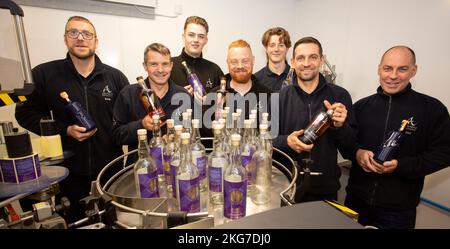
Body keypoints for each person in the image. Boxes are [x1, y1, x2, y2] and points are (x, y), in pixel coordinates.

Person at [15, 16, 130, 222]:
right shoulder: (44, 74)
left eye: (87, 34)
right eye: (73, 33)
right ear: (65, 38)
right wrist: (64, 130)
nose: (80, 38)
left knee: (113, 222)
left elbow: (127, 122)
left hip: (110, 172)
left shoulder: (115, 78)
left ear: (96, 41)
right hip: (66, 174)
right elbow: (24, 113)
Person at [344, 46, 450, 229]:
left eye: (402, 69)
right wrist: (357, 153)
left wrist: (401, 166)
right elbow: (347, 144)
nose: (393, 76)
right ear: (379, 69)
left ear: (414, 70)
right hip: (355, 202)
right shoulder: (361, 107)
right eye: (387, 68)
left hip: (398, 211)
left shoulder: (431, 109)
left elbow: (444, 153)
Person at [272, 36, 356, 203]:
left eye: (313, 57)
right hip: (288, 187)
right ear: (293, 62)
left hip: (326, 189)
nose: (307, 63)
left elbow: (350, 148)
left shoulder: (340, 96)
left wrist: (340, 126)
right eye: (301, 58)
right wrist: (287, 141)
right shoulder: (278, 98)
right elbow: (266, 141)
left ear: (321, 60)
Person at [112, 43, 191, 163]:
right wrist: (141, 125)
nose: (160, 70)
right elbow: (116, 135)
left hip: (176, 166)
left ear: (171, 65)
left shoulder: (183, 94)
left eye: (165, 64)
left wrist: (177, 136)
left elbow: (192, 132)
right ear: (145, 66)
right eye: (154, 64)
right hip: (142, 169)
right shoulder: (128, 94)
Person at [208, 39, 271, 122]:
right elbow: (204, 133)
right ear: (227, 63)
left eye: (245, 61)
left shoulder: (268, 96)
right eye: (234, 62)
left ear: (253, 60)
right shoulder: (213, 97)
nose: (240, 66)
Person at [170, 16, 224, 93]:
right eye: (191, 35)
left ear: (206, 40)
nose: (196, 40)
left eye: (201, 36)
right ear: (183, 37)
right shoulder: (168, 66)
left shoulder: (215, 70)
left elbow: (223, 101)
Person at [255, 27, 292, 92]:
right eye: (272, 45)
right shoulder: (256, 80)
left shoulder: (297, 77)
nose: (276, 49)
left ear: (287, 48)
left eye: (281, 45)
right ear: (266, 48)